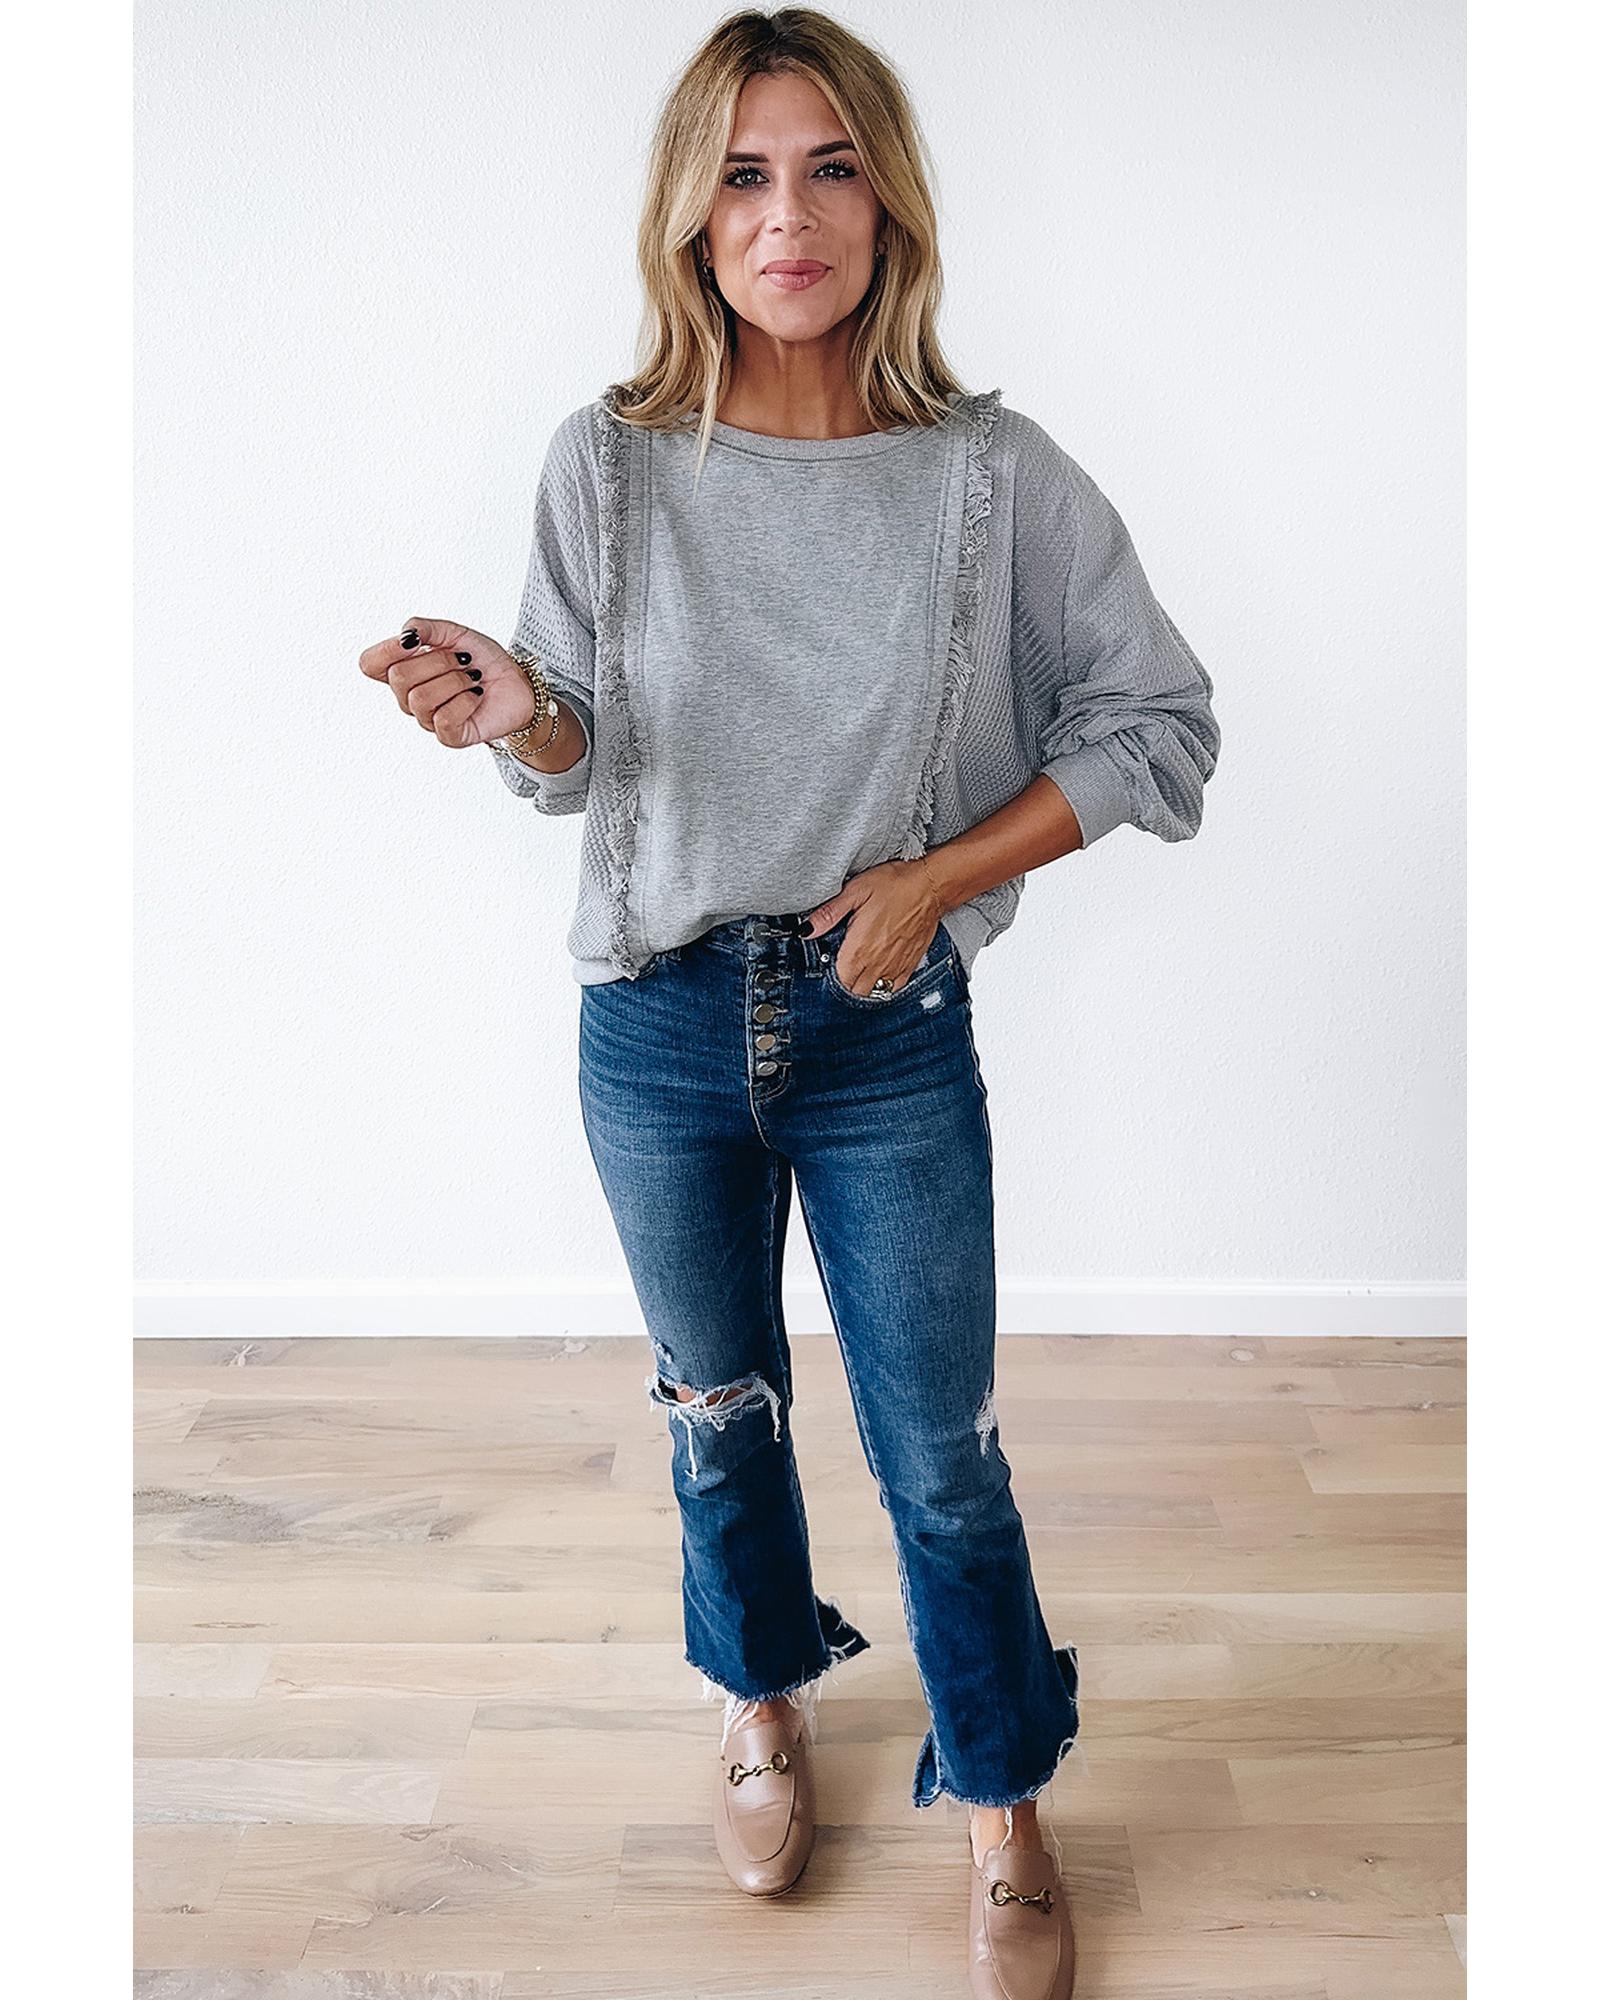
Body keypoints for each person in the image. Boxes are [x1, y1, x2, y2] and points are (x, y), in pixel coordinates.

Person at [359, 11, 1220, 1996]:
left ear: (887, 199)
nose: (787, 216)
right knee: (716, 1410)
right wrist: (522, 711)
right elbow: (578, 756)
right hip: (657, 1023)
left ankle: (998, 1793)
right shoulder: (607, 464)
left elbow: (1154, 722)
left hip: (882, 1034)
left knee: (942, 1451)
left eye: (830, 167)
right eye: (743, 175)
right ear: (690, 213)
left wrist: (934, 876)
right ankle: (757, 1693)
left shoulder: (989, 479)